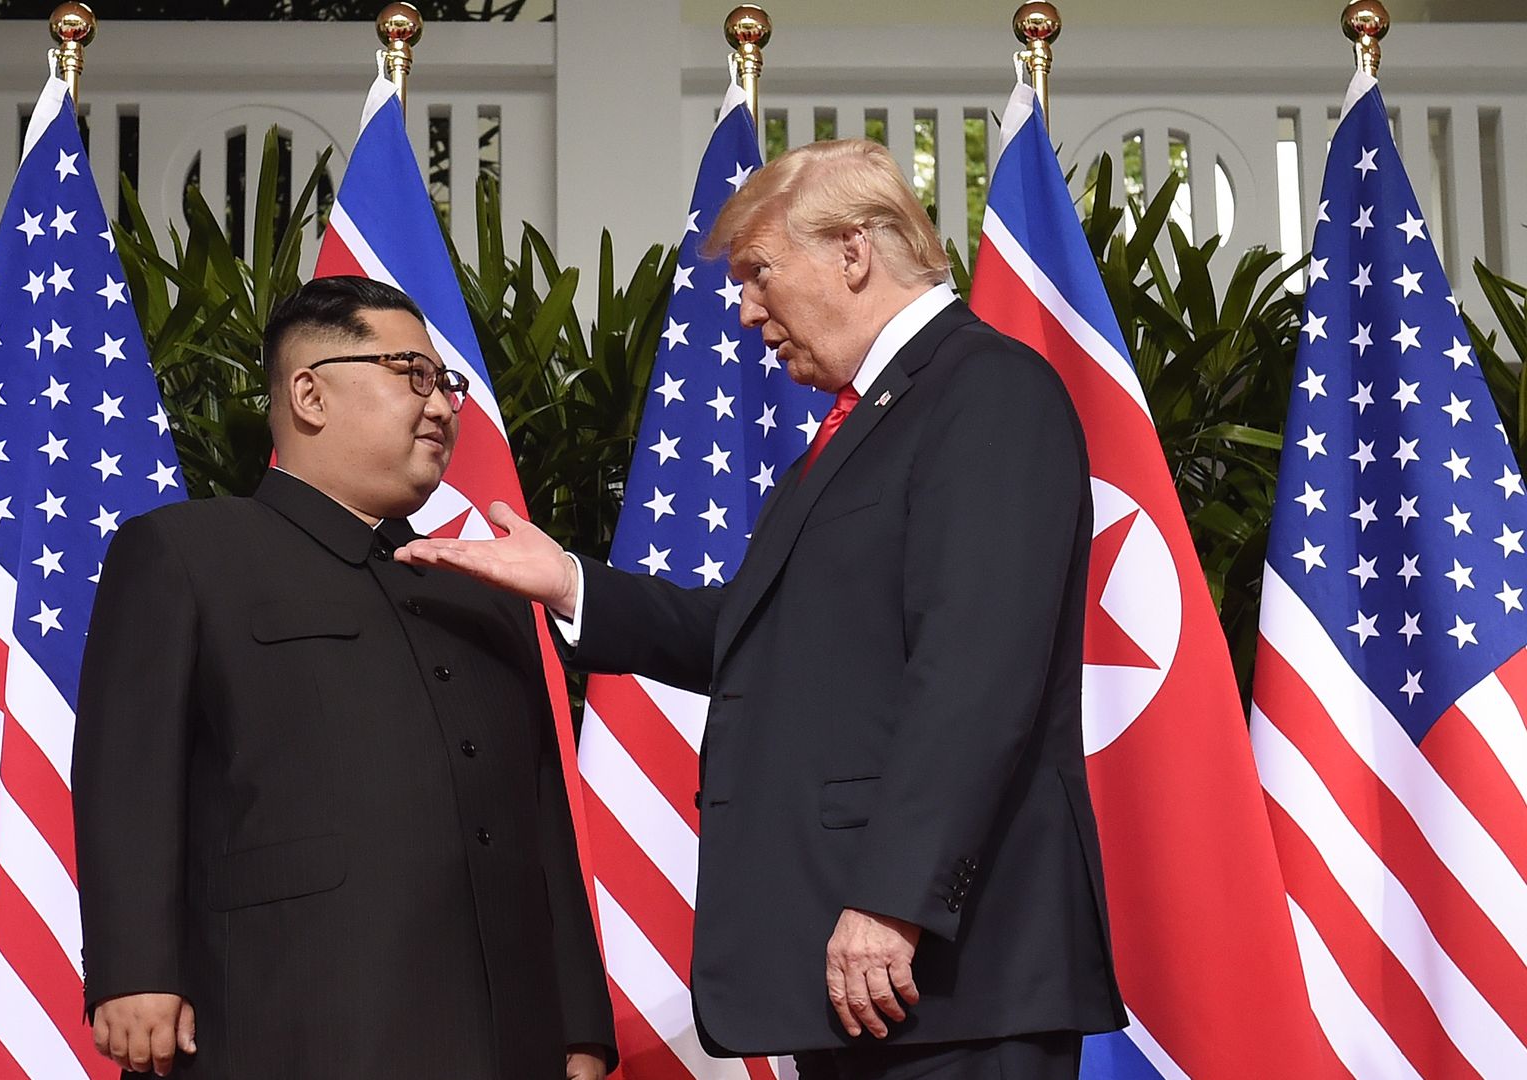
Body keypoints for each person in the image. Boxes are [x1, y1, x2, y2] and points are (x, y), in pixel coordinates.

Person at [396, 139, 1126, 1079]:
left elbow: (978, 674)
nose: (744, 310)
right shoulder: (872, 420)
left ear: (853, 253)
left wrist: (891, 901)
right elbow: (761, 635)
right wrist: (570, 583)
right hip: (874, 979)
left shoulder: (987, 391)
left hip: (947, 972)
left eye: (758, 273)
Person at [72, 275, 615, 1079]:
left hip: (506, 1033)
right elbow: (128, 775)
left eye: (449, 384)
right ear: (309, 394)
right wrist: (135, 971)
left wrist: (579, 1025)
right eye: (414, 376)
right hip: (288, 1015)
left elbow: (540, 814)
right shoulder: (188, 554)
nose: (442, 406)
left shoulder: (484, 589)